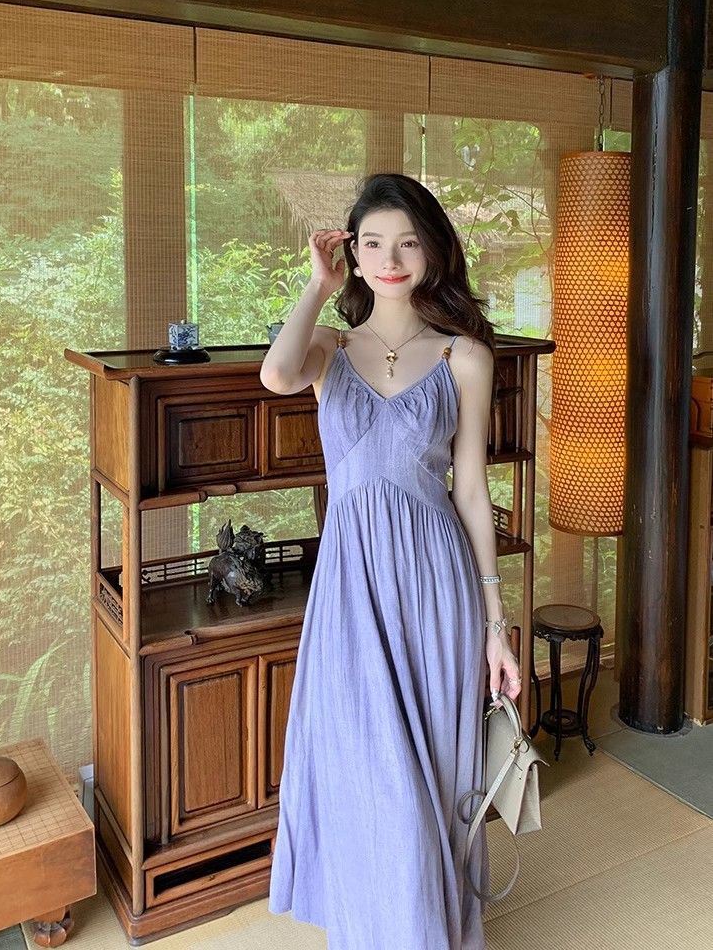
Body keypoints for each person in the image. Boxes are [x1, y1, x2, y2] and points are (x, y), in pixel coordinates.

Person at [261, 172, 522, 950]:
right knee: (362, 774)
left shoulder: (464, 356)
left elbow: (470, 491)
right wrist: (317, 286)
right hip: (350, 588)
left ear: (433, 250)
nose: (390, 259)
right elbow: (275, 375)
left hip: (436, 587)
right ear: (352, 253)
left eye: (407, 242)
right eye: (372, 243)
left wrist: (496, 625)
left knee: (433, 776)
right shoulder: (328, 348)